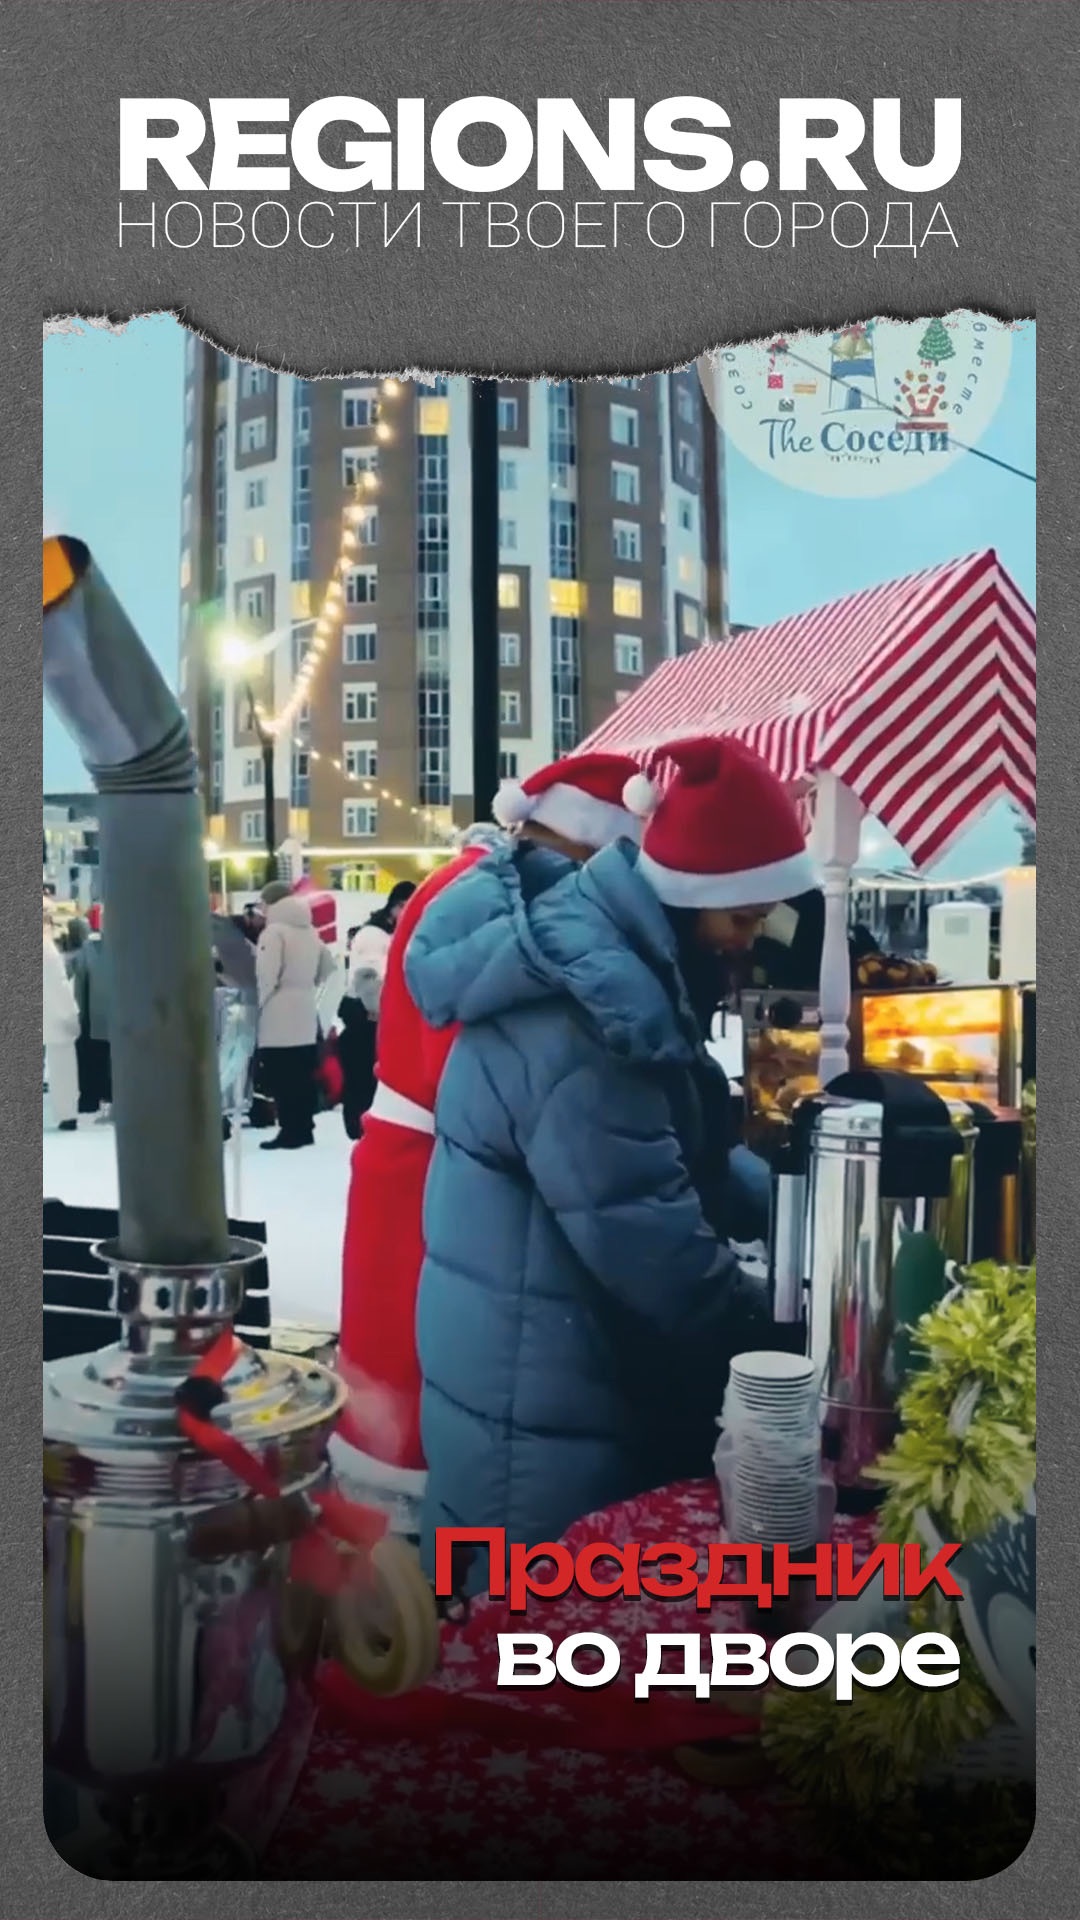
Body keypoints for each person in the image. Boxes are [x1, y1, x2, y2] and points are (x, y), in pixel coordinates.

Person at [404, 735, 817, 1575]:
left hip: (549, 1371)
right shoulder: (591, 1008)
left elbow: (681, 1151)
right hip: (538, 1417)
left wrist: (796, 1208)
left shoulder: (625, 967)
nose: (748, 941)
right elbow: (646, 1237)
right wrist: (780, 1329)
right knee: (530, 1629)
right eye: (741, 918)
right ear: (688, 896)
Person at [332, 753, 648, 1507]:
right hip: (439, 1171)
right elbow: (488, 1072)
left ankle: (396, 1545)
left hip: (410, 1158)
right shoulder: (507, 905)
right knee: (420, 1395)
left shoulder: (468, 885)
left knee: (394, 1389)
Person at [255, 881, 336, 1150]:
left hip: (278, 1014)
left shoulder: (273, 933)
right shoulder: (310, 931)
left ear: (271, 903)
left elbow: (267, 976)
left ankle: (289, 1130)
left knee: (281, 1075)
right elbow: (328, 967)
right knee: (302, 1075)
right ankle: (304, 1128)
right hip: (304, 1013)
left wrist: (259, 1006)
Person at [336, 881, 418, 1142]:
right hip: (367, 1014)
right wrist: (378, 1010)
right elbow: (369, 976)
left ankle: (367, 1127)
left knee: (369, 1076)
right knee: (363, 1076)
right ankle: (361, 1128)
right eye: (404, 907)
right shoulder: (374, 935)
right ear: (395, 906)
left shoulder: (391, 933)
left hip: (376, 1013)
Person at [66, 906, 112, 1118]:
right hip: (120, 1022)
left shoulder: (88, 950)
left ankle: (91, 1098)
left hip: (94, 1019)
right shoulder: (132, 950)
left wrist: (81, 1015)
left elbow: (80, 985)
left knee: (90, 1058)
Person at [43, 908, 80, 1131]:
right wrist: (71, 1014)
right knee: (63, 1067)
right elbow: (60, 984)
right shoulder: (48, 949)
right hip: (57, 1016)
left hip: (50, 1014)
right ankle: (67, 1114)